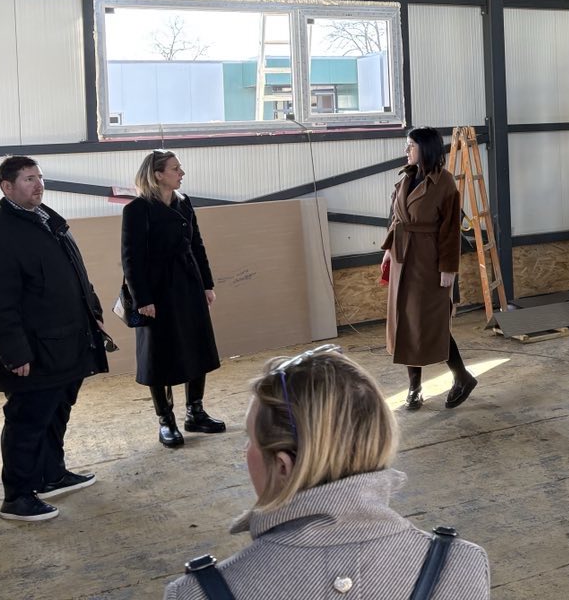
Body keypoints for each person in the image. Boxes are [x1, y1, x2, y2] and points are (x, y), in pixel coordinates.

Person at [163, 346, 491, 600]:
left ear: (283, 466)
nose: (245, 451)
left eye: (250, 439)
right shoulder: (460, 566)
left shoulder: (195, 594)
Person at [0, 155, 108, 522]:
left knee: (56, 412)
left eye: (40, 177)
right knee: (27, 421)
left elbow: (76, 274)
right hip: (34, 350)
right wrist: (14, 353)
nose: (38, 184)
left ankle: (51, 475)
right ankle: (17, 496)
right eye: (29, 179)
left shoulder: (47, 220)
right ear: (7, 187)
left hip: (65, 343)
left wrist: (93, 311)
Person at [122, 150, 224, 448]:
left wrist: (207, 284)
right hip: (156, 291)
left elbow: (197, 245)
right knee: (158, 355)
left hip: (189, 284)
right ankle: (166, 420)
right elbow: (131, 258)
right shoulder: (138, 209)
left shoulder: (183, 202)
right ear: (158, 175)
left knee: (197, 345)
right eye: (175, 169)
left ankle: (195, 412)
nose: (182, 173)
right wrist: (143, 298)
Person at [381, 127, 477, 410]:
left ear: (426, 149)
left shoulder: (444, 183)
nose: (406, 150)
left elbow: (450, 231)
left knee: (431, 324)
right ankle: (414, 388)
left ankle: (462, 377)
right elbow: (396, 218)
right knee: (405, 322)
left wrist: (448, 269)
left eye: (410, 145)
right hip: (401, 258)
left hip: (428, 262)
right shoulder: (407, 177)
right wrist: (388, 250)